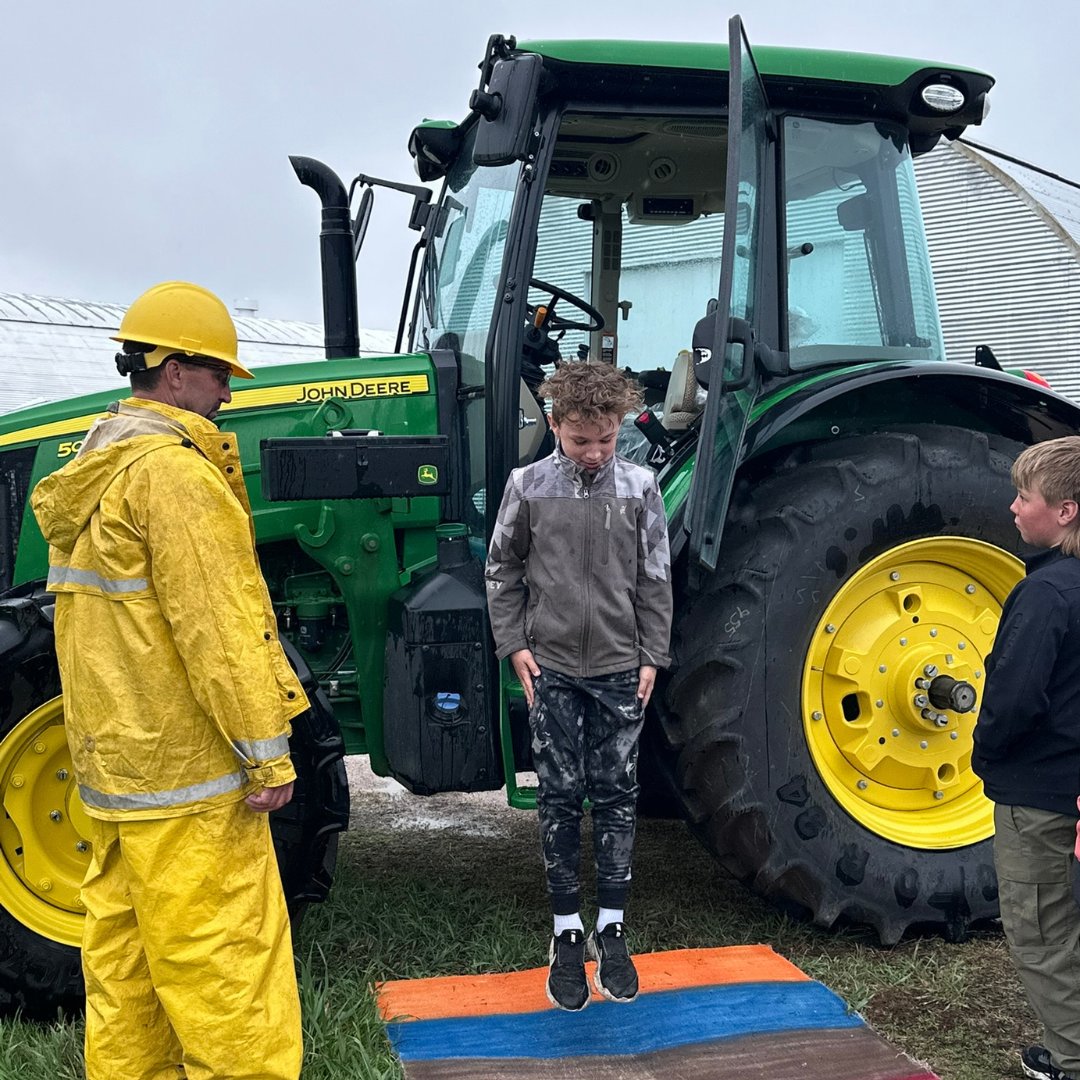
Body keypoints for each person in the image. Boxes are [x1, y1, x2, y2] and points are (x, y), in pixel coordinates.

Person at [30, 281, 308, 1080]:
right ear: (173, 370)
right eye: (218, 371)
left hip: (117, 776)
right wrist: (268, 753)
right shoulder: (177, 479)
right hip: (190, 777)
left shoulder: (94, 465)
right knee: (227, 965)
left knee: (127, 967)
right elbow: (221, 634)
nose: (227, 387)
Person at [485, 361, 672, 1012]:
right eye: (580, 440)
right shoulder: (527, 487)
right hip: (555, 671)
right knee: (560, 797)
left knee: (619, 795)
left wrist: (652, 654)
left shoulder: (641, 489)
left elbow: (654, 580)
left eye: (606, 440)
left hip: (622, 668)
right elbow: (501, 570)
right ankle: (567, 932)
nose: (594, 455)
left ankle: (612, 928)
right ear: (557, 425)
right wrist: (514, 646)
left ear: (620, 430)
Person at [971, 436, 1080, 1080]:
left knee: (1042, 931)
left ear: (1065, 510)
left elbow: (1013, 703)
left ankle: (1070, 1061)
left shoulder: (1045, 595)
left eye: (1024, 496)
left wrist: (988, 757)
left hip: (1041, 797)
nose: (1013, 508)